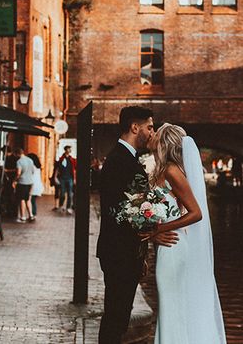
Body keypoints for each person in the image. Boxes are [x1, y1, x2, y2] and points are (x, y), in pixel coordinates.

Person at [97, 106, 178, 344]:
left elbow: (131, 209)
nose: (152, 132)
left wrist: (140, 251)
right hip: (118, 252)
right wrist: (152, 234)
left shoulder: (126, 159)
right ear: (135, 127)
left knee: (119, 316)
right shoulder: (119, 161)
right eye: (149, 127)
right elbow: (118, 212)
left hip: (125, 251)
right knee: (116, 316)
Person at [149, 123, 226, 343]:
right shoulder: (162, 170)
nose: (152, 135)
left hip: (173, 245)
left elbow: (196, 213)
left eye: (157, 133)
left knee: (171, 305)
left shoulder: (172, 171)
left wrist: (159, 228)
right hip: (167, 245)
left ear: (164, 142)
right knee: (170, 305)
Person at [13, 147, 35, 223]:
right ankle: (31, 215)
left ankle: (23, 217)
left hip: (22, 182)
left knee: (22, 199)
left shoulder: (19, 162)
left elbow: (18, 173)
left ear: (17, 154)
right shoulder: (30, 160)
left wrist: (14, 180)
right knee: (28, 199)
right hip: (30, 182)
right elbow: (33, 171)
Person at [55, 145, 77, 215]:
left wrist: (74, 179)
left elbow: (74, 170)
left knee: (70, 194)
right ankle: (61, 206)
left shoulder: (72, 159)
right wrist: (55, 177)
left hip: (70, 178)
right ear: (66, 150)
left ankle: (68, 208)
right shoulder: (61, 159)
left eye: (70, 149)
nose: (70, 150)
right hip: (62, 178)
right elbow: (57, 169)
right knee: (62, 194)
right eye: (69, 149)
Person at [28, 152, 44, 221]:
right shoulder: (38, 167)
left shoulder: (32, 167)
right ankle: (33, 214)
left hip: (32, 185)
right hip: (38, 185)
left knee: (30, 200)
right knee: (33, 200)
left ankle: (32, 214)